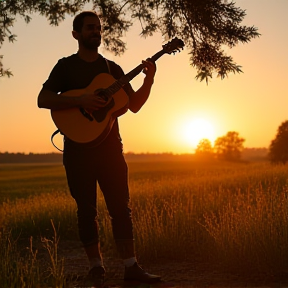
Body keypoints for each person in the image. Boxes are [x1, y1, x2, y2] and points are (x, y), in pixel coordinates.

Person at [38, 10, 161, 285]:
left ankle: (131, 267)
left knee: (121, 207)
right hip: (77, 151)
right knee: (86, 209)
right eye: (90, 28)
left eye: (99, 28)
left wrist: (149, 79)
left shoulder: (112, 69)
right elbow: (43, 98)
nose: (96, 31)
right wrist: (81, 99)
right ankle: (96, 267)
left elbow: (135, 105)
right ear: (76, 34)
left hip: (110, 151)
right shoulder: (66, 67)